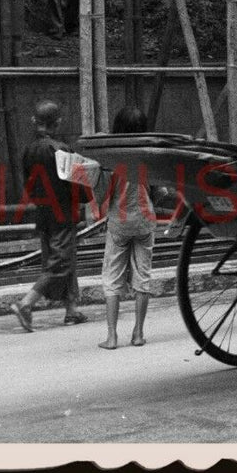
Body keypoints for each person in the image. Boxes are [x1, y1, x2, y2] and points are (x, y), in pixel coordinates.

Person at [11, 100, 93, 330]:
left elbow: (27, 184)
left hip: (44, 213)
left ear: (35, 122)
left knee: (62, 258)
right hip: (63, 213)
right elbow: (78, 185)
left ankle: (71, 310)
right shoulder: (62, 149)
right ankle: (26, 303)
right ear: (57, 122)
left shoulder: (29, 151)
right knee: (61, 262)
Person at [99, 105, 158, 350]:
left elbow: (105, 191)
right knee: (142, 277)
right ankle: (138, 333)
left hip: (119, 223)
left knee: (112, 277)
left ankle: (112, 336)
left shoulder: (113, 157)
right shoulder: (148, 154)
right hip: (145, 220)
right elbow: (159, 187)